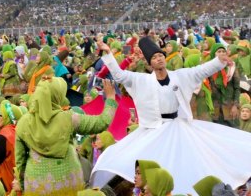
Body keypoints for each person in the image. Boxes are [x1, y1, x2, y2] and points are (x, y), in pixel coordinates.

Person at [91, 37, 251, 194]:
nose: (159, 59)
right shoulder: (142, 80)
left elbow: (201, 71)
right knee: (146, 163)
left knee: (186, 162)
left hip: (178, 127)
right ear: (149, 63)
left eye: (160, 55)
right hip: (154, 130)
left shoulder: (180, 76)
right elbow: (119, 75)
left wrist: (218, 61)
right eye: (154, 57)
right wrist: (107, 54)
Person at [16, 77, 117, 195]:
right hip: (68, 185)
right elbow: (102, 122)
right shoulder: (69, 118)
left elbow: (20, 161)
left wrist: (24, 186)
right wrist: (110, 99)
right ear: (57, 96)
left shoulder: (23, 122)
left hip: (36, 186)